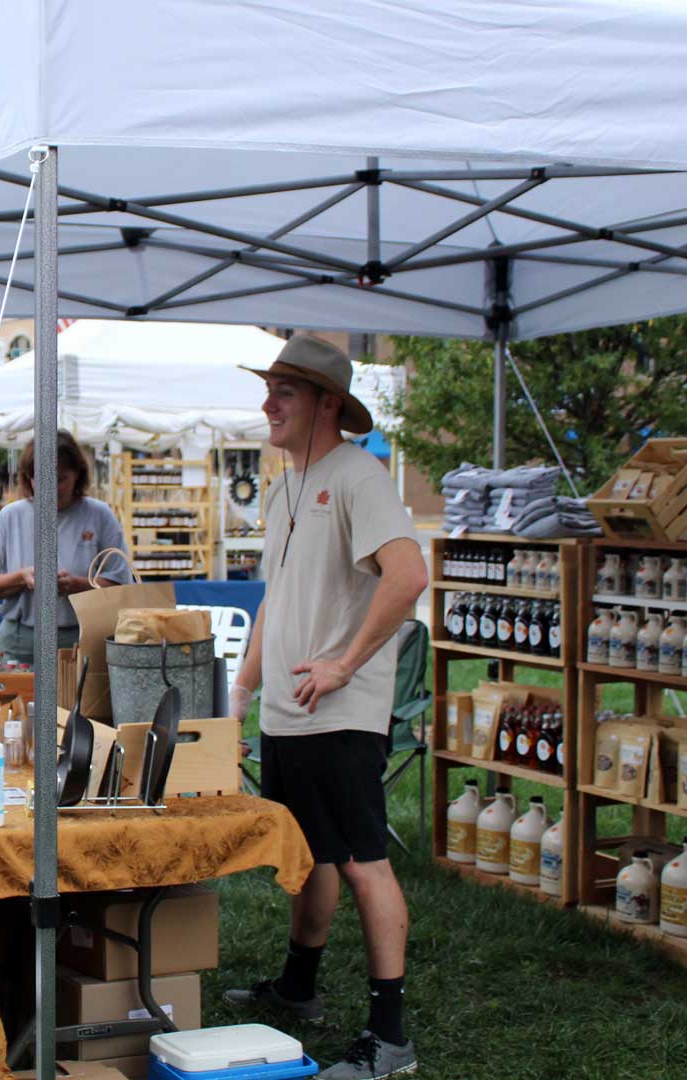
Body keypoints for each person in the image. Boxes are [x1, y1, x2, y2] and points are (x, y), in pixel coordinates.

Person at [220, 336, 428, 1080]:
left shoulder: (357, 475)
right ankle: (299, 986)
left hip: (341, 715)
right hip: (288, 712)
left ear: (327, 403)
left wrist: (344, 662)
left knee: (365, 861)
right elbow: (277, 600)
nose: (267, 403)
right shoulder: (284, 488)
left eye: (285, 391)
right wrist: (242, 693)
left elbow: (407, 577)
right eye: (269, 387)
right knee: (312, 857)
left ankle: (390, 1036)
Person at [0, 431, 128, 665]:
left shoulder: (99, 515)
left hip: (82, 640)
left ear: (77, 474)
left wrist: (75, 585)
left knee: (77, 702)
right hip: (21, 643)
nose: (51, 488)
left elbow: (120, 588)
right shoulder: (10, 516)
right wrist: (22, 577)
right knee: (16, 702)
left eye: (60, 479)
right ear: (28, 478)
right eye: (42, 479)